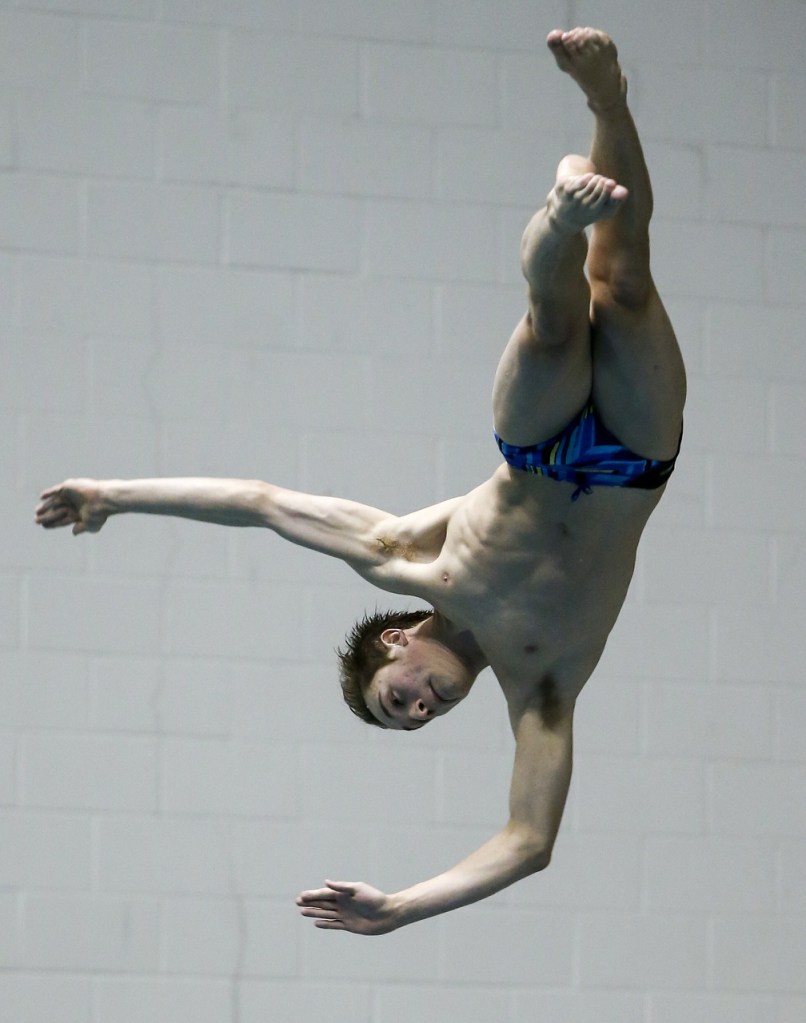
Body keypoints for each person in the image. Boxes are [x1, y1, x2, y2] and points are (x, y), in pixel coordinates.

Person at [35, 29, 686, 935]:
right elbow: (530, 840)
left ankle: (558, 215)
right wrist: (398, 909)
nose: (424, 706)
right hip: (630, 464)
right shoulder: (542, 683)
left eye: (401, 698)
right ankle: (611, 104)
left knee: (554, 319)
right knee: (626, 281)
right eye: (420, 720)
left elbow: (263, 503)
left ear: (393, 644)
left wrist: (113, 492)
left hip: (537, 454)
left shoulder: (406, 558)